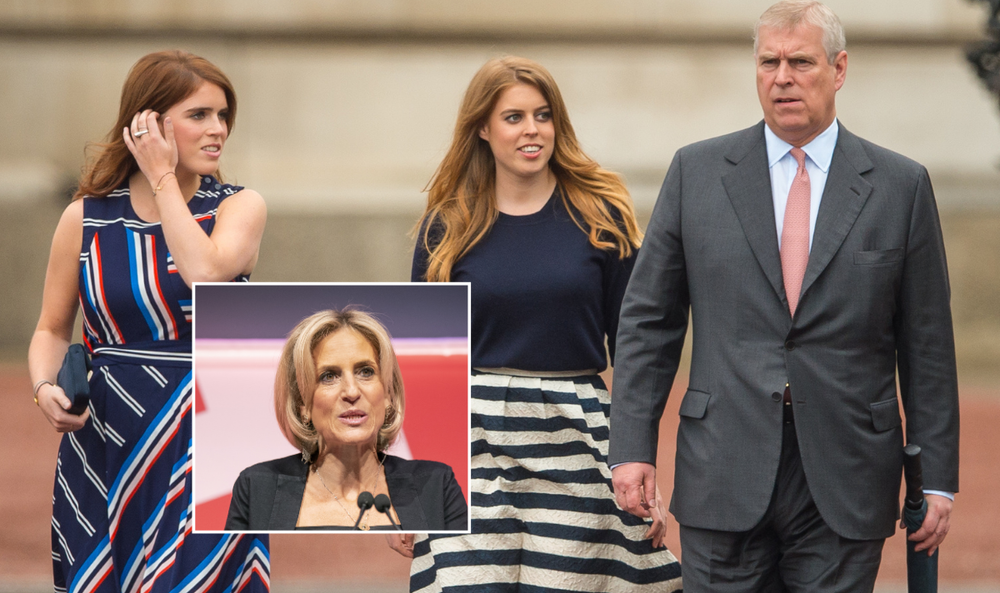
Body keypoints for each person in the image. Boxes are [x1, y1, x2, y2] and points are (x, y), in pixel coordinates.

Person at [609, 1, 960, 591]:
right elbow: (648, 322)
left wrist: (937, 478)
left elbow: (926, 343)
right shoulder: (696, 173)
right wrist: (631, 448)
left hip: (847, 474)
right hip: (722, 467)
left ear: (839, 68)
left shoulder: (901, 187)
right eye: (768, 62)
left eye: (800, 61)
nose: (782, 77)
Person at [404, 56, 682, 592]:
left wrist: (638, 457)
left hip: (576, 433)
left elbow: (636, 350)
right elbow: (423, 364)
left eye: (543, 115)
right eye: (513, 117)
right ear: (482, 129)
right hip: (471, 440)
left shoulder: (603, 215)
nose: (532, 130)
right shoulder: (447, 223)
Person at [27, 50, 269, 592]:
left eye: (223, 115)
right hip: (109, 440)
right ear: (147, 124)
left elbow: (203, 272)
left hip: (215, 431)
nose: (218, 130)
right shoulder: (85, 218)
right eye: (200, 115)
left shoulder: (238, 206)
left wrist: (162, 179)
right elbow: (50, 328)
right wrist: (44, 387)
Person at [225, 308, 468, 531]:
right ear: (303, 405)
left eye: (366, 372)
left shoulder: (436, 486)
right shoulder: (258, 488)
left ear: (388, 395)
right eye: (328, 376)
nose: (351, 392)